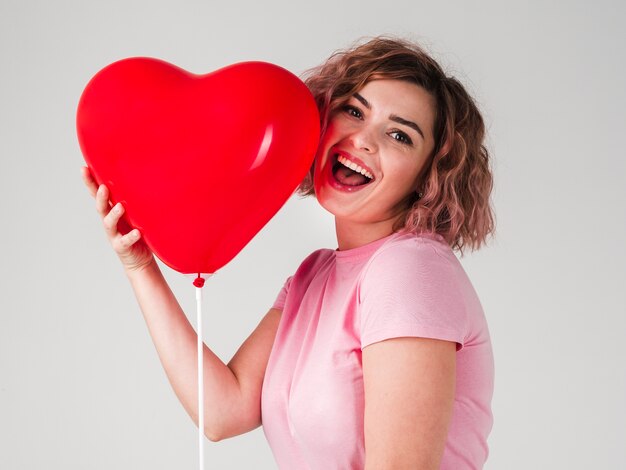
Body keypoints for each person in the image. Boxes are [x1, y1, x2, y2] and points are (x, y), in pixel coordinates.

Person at [82, 36, 495, 470]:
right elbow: (225, 410)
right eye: (353, 111)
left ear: (429, 175)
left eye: (399, 134)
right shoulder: (314, 275)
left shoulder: (409, 268)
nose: (364, 140)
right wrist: (140, 266)